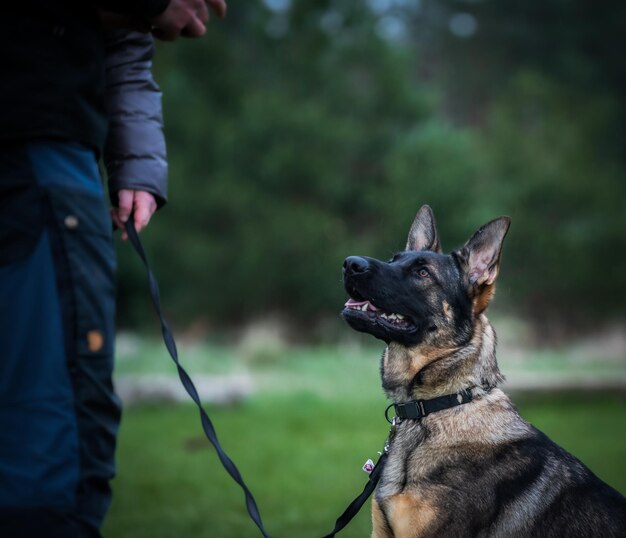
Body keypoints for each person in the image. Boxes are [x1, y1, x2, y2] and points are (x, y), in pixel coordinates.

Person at [0, 1, 226, 536]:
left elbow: (125, 48)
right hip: (34, 147)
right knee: (53, 437)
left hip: (48, 146)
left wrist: (136, 161)